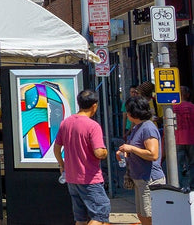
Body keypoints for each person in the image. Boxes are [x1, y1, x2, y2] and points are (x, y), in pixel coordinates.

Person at [52, 90, 110, 225]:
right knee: (100, 214)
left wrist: (62, 165)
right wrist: (105, 151)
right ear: (94, 106)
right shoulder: (93, 126)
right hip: (90, 178)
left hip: (72, 178)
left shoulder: (66, 123)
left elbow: (56, 148)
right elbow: (99, 153)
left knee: (81, 218)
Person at [120, 96, 165, 225]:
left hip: (149, 179)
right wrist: (124, 151)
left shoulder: (148, 128)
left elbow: (153, 154)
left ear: (133, 113)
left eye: (128, 111)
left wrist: (131, 148)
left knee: (149, 216)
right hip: (140, 178)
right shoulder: (137, 127)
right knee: (142, 215)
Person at [174, 86, 194, 189]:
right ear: (188, 95)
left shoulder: (173, 107)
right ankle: (192, 185)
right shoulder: (192, 107)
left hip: (178, 139)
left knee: (178, 165)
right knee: (192, 164)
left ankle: (179, 186)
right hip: (191, 139)